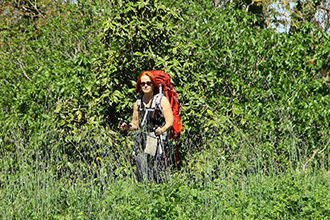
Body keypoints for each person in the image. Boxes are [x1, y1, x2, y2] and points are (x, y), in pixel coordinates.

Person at [119, 71, 173, 183]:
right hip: (144, 139)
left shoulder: (161, 100)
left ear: (153, 85)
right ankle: (144, 192)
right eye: (142, 84)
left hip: (157, 140)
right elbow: (135, 124)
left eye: (148, 83)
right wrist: (127, 127)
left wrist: (161, 130)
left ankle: (159, 192)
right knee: (140, 166)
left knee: (156, 170)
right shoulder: (138, 102)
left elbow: (170, 122)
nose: (145, 85)